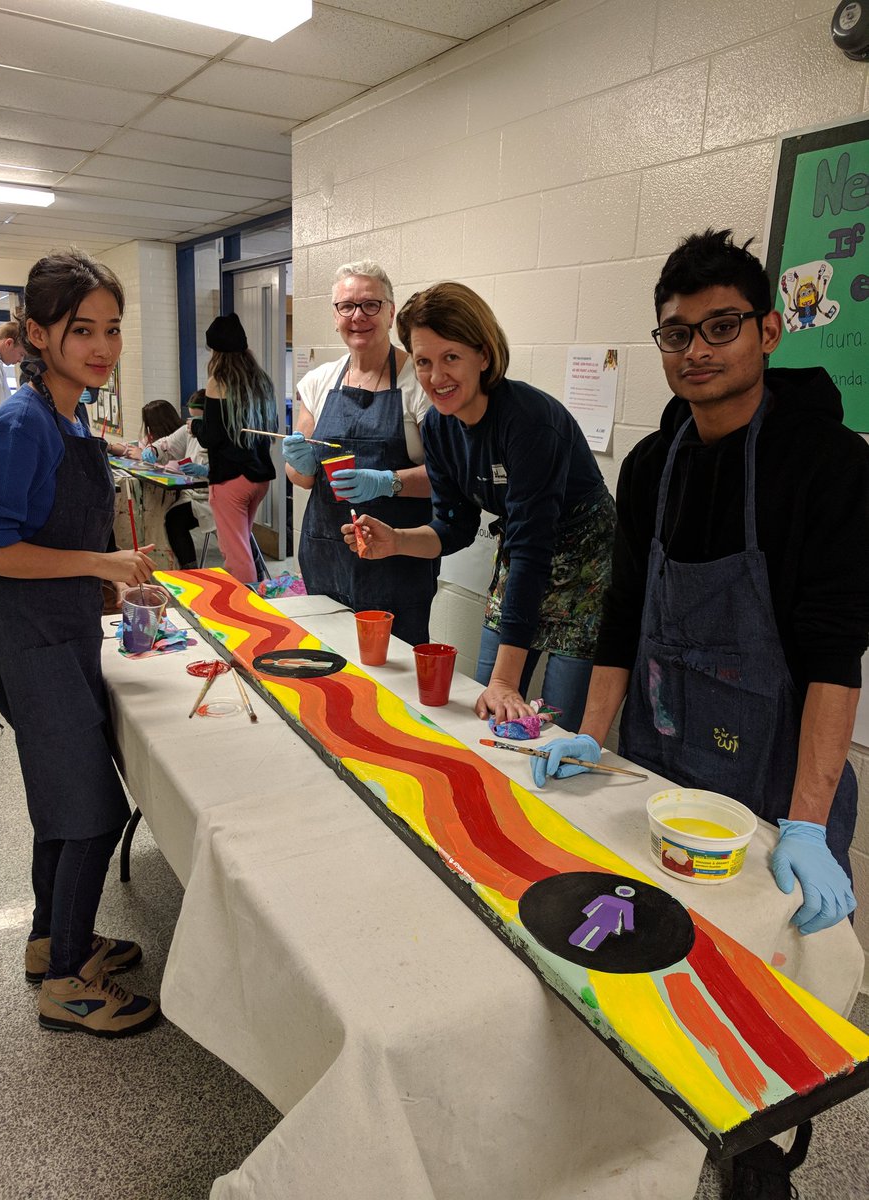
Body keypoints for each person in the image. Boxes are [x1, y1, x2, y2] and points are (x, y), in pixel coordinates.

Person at [538, 229, 869, 940]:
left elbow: (835, 655)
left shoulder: (833, 465)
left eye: (722, 327)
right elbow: (622, 616)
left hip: (776, 790)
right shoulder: (652, 465)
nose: (697, 351)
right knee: (652, 956)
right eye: (677, 334)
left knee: (769, 983)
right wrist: (593, 738)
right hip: (655, 767)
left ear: (769, 330)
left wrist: (807, 825)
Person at [0, 249, 160, 1036]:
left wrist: (109, 588)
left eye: (113, 329)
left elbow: (47, 529)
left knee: (62, 802)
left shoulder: (69, 413)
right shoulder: (19, 425)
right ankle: (70, 985)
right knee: (88, 811)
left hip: (62, 628)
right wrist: (97, 562)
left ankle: (54, 941)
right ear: (39, 333)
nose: (103, 347)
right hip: (26, 641)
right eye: (82, 329)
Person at [343, 282, 616, 732]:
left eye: (451, 357)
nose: (436, 377)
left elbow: (532, 547)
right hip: (525, 554)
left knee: (554, 720)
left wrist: (507, 682)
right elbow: (454, 528)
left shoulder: (528, 420)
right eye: (424, 362)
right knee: (488, 705)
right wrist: (396, 541)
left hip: (584, 563)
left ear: (483, 355)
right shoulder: (437, 427)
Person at [282, 261, 438, 646]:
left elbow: (447, 477)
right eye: (346, 307)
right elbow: (301, 478)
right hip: (326, 557)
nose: (358, 316)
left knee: (393, 679)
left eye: (370, 305)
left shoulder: (420, 382)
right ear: (335, 316)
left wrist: (388, 482)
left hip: (398, 564)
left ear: (390, 312)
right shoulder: (318, 382)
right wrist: (298, 462)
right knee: (326, 670)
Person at [190, 314, 276, 583]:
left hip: (231, 480)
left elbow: (212, 437)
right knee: (243, 546)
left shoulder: (219, 380)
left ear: (217, 351)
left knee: (236, 556)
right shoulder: (260, 380)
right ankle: (254, 600)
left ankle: (246, 614)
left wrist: (195, 426)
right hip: (259, 479)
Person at [126, 396, 212, 569]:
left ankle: (253, 575)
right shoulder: (189, 430)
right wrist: (153, 450)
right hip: (196, 495)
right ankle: (191, 570)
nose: (192, 424)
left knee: (235, 543)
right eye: (191, 418)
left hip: (220, 496)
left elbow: (233, 467)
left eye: (198, 420)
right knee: (174, 520)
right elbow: (167, 444)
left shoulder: (222, 433)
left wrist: (208, 471)